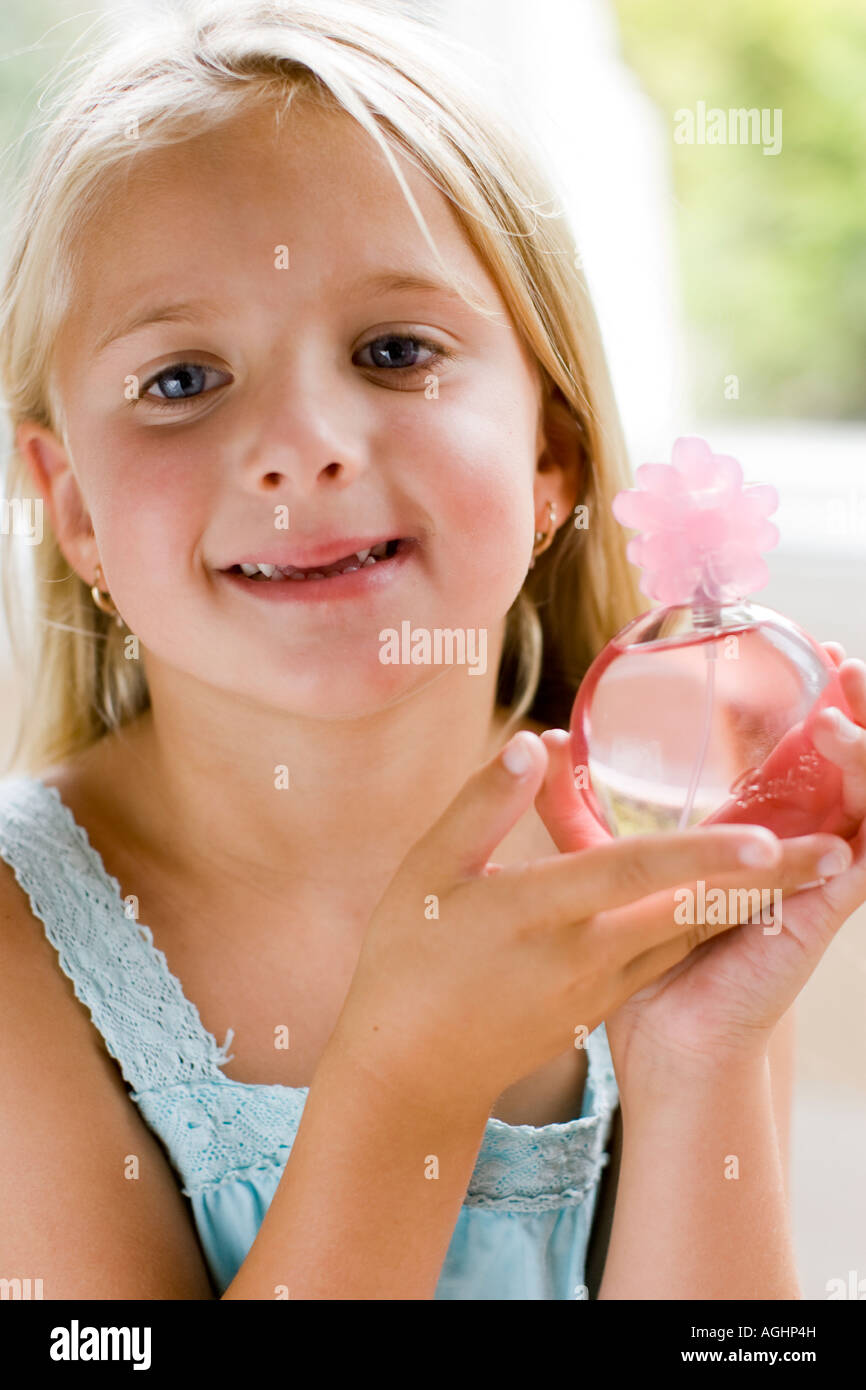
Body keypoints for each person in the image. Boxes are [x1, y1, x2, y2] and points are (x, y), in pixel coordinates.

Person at [0, 0, 864, 1300]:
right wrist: (408, 1085)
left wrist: (699, 1058)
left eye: (395, 351)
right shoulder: (22, 945)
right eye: (180, 378)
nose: (300, 441)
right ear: (76, 515)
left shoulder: (649, 838)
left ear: (547, 462)